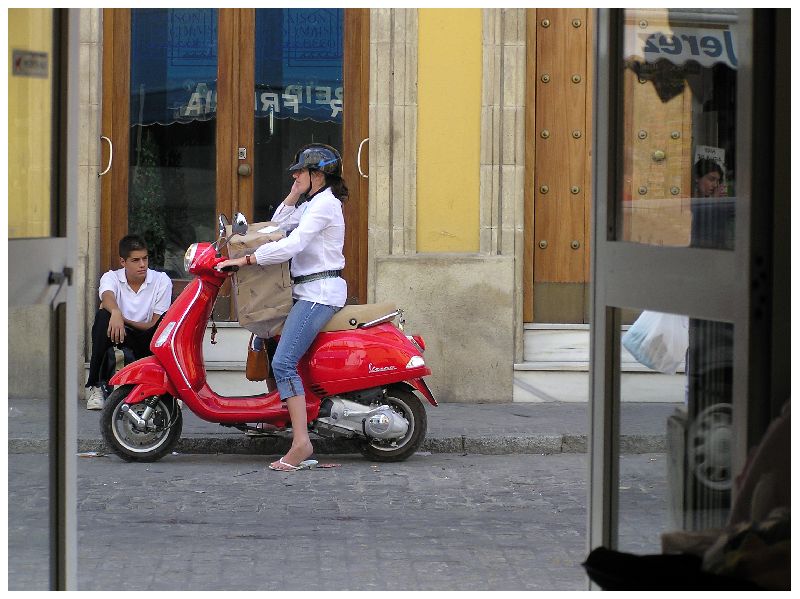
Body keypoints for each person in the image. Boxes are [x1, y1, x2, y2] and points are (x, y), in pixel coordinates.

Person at [216, 143, 347, 472]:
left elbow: (291, 244)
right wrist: (293, 193)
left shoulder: (324, 206)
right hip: (307, 291)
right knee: (276, 350)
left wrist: (247, 259)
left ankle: (301, 442)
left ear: (318, 175)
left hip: (319, 292)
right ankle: (282, 419)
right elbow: (276, 227)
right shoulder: (313, 203)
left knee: (285, 361)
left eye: (301, 171)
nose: (296, 175)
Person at [84, 235, 172, 410]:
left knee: (166, 324)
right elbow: (106, 295)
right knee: (103, 317)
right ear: (123, 262)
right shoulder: (111, 277)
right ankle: (96, 387)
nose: (142, 264)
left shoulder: (161, 280)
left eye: (145, 258)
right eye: (136, 260)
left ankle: (168, 387)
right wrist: (115, 312)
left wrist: (121, 318)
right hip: (122, 335)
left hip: (149, 337)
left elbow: (153, 325)